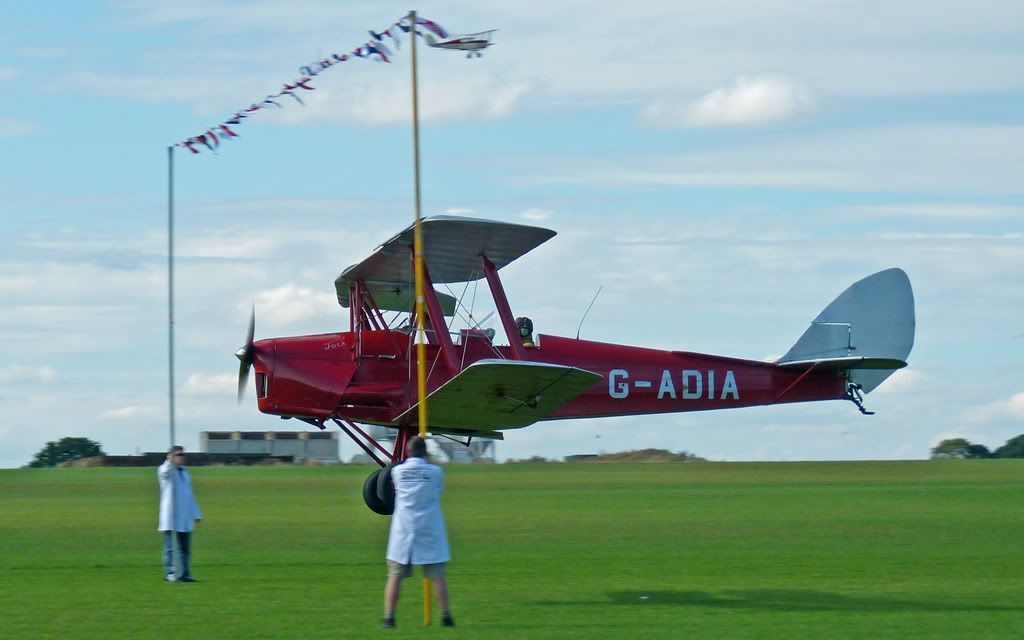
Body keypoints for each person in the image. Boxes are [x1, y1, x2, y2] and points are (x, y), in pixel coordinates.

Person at [382, 437, 454, 629]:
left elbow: (397, 489)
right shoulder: (436, 472)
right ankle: (446, 616)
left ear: (408, 451)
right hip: (429, 528)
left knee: (395, 575)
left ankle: (389, 618)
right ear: (425, 451)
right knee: (438, 576)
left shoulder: (397, 471)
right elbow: (438, 491)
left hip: (403, 530)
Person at [158, 445, 202, 583]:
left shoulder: (185, 472)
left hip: (184, 516)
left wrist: (196, 513)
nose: (183, 457)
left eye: (183, 454)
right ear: (171, 456)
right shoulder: (166, 470)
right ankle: (170, 573)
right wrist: (169, 462)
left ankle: (185, 573)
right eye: (180, 455)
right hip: (171, 515)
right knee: (170, 548)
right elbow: (164, 472)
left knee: (185, 548)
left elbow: (189, 495)